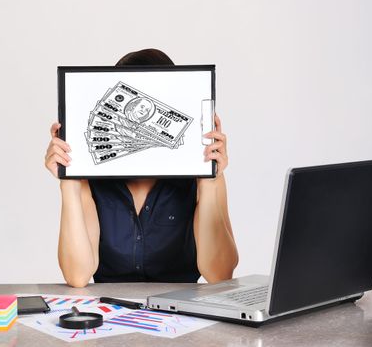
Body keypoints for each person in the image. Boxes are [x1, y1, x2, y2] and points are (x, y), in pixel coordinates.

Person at [44, 49, 238, 287]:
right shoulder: (91, 178)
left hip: (184, 316)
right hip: (111, 314)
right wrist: (68, 180)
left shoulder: (204, 178)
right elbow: (77, 275)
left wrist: (208, 180)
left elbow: (220, 274)